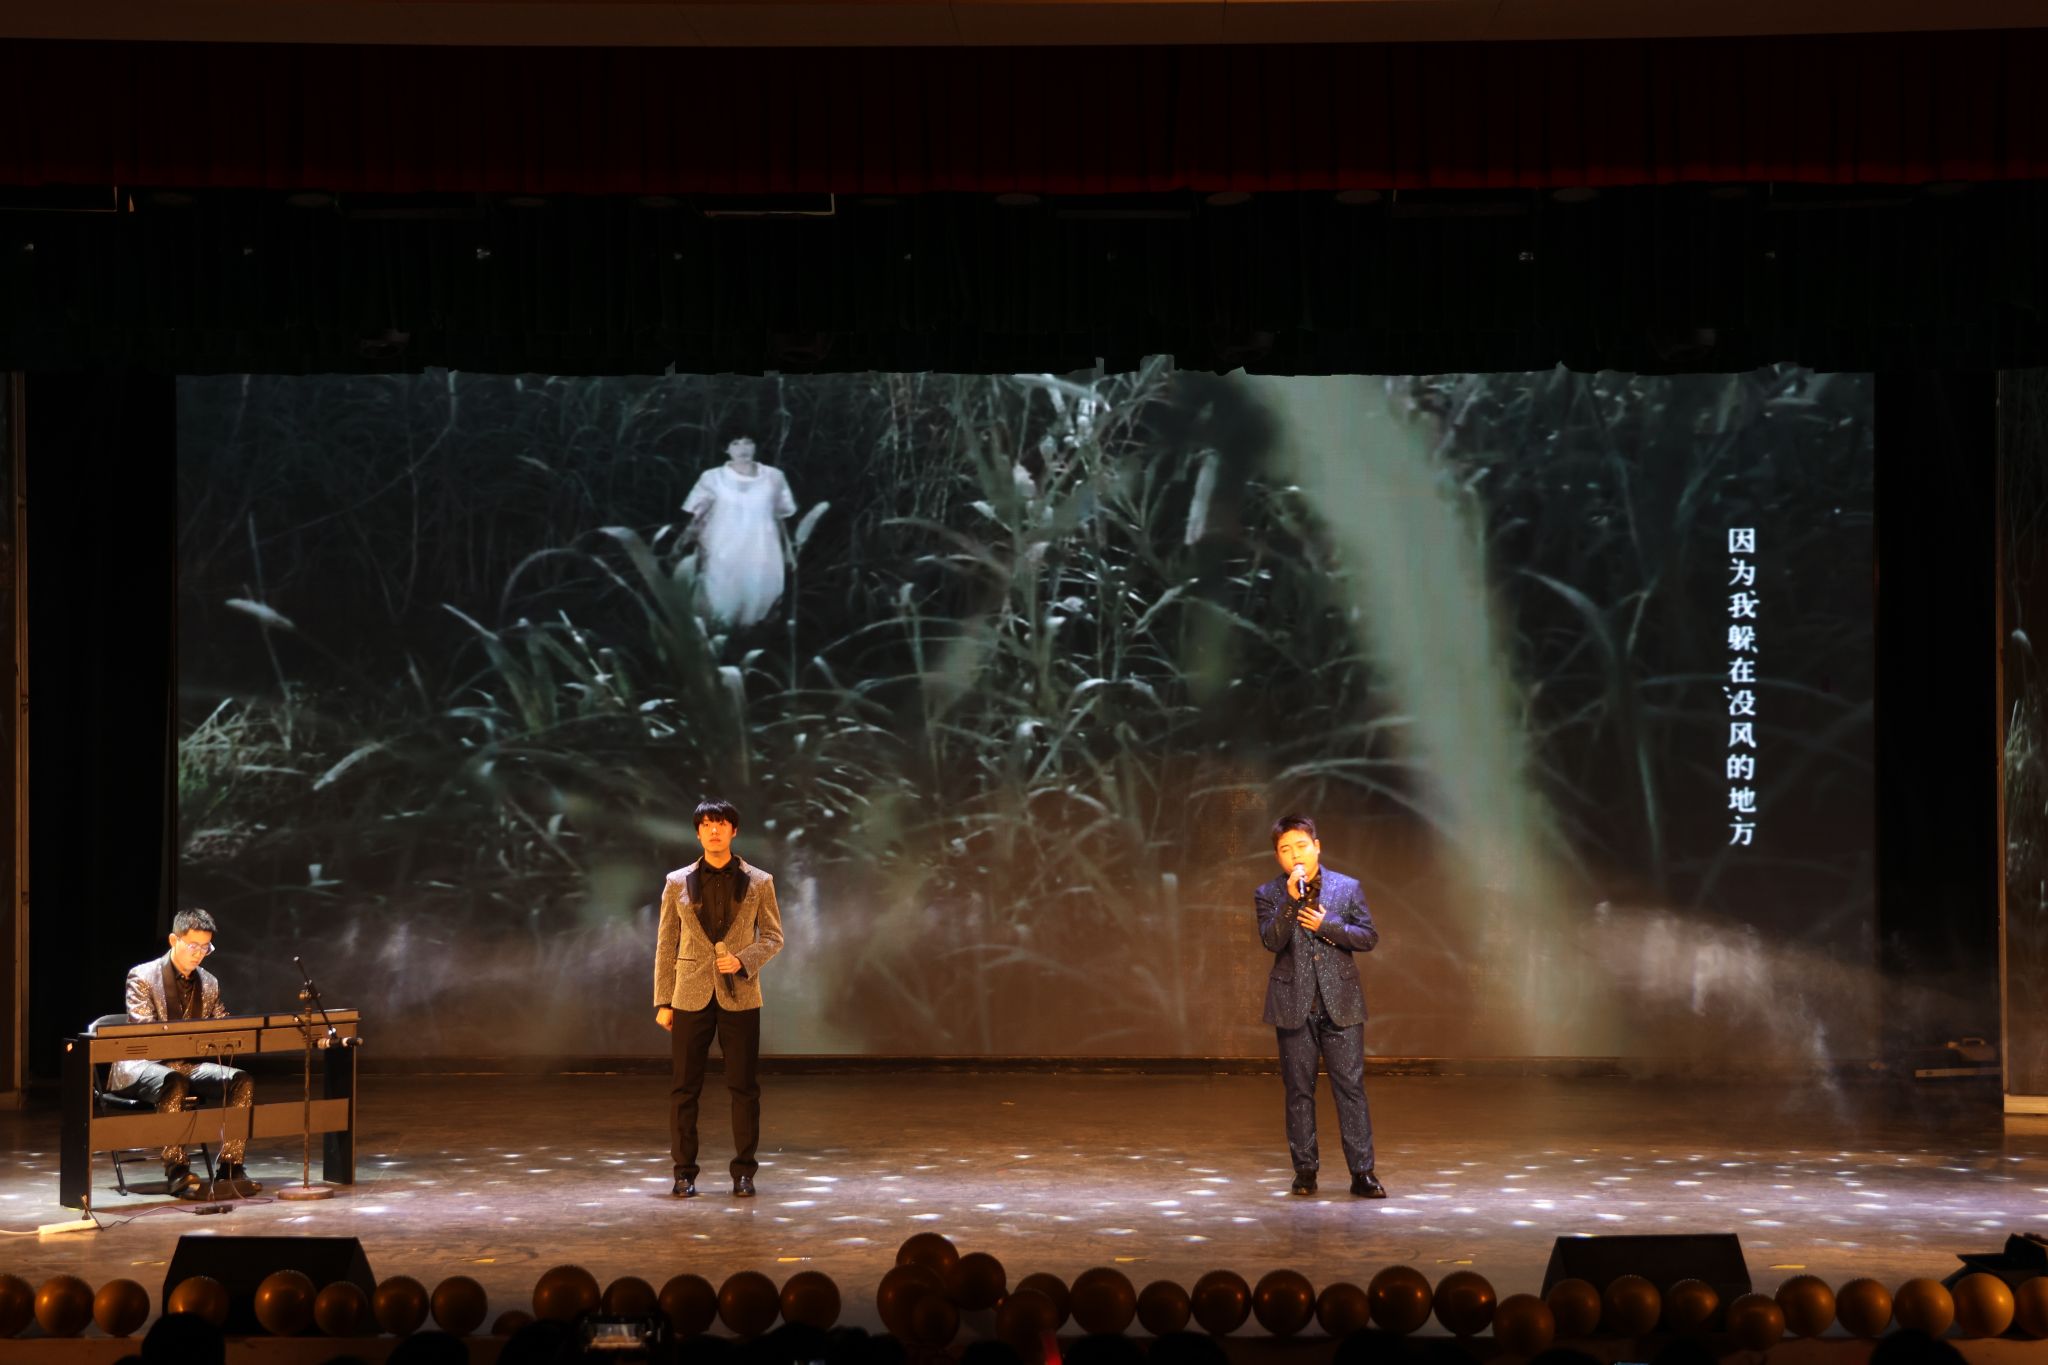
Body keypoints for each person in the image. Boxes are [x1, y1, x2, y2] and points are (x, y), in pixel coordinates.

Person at [654, 798, 784, 1198]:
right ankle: (684, 1173)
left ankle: (744, 1173)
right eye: (707, 824)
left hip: (740, 996)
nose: (714, 830)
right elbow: (666, 944)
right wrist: (663, 1001)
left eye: (722, 824)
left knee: (744, 1088)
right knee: (684, 1088)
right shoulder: (677, 881)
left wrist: (743, 961)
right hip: (689, 995)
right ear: (698, 832)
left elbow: (774, 937)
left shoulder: (759, 881)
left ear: (734, 831)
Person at [1254, 814, 1385, 1198]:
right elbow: (1271, 940)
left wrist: (1328, 926)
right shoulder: (1269, 893)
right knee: (1298, 1091)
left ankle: (1362, 1173)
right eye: (1285, 849)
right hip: (1293, 1004)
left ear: (1317, 847)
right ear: (1277, 856)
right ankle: (1305, 1171)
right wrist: (1290, 903)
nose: (1295, 854)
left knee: (1351, 1088)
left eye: (1301, 846)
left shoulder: (1347, 887)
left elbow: (1368, 937)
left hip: (1341, 1002)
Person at [106, 908, 260, 1196]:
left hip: (186, 1064)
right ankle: (177, 1170)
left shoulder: (209, 982)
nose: (199, 953)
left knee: (241, 1080)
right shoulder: (142, 976)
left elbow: (220, 1023)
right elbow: (145, 1031)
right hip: (142, 1064)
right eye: (193, 946)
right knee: (173, 1080)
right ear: (174, 940)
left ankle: (230, 1168)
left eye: (205, 947)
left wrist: (235, 1029)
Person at [681, 436, 799, 629]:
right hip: (722, 550)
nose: (743, 449)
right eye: (735, 443)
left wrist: (788, 551)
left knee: (760, 598)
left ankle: (752, 639)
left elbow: (780, 517)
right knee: (720, 600)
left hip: (763, 549)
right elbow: (696, 517)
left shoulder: (774, 477)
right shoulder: (712, 477)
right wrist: (686, 544)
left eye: (748, 442)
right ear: (726, 449)